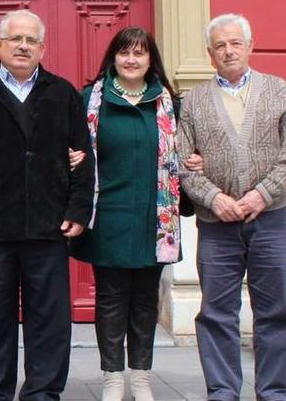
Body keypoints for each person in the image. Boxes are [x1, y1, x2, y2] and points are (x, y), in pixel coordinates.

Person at [0, 9, 95, 401]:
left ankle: (43, 392)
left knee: (50, 322)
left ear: (42, 47)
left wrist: (78, 209)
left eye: (31, 40)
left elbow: (83, 153)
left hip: (49, 228)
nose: (23, 46)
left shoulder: (63, 94)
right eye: (15, 39)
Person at [178, 13, 286, 401]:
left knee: (275, 312)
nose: (228, 51)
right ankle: (222, 390)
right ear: (209, 53)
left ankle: (273, 392)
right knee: (217, 313)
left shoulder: (278, 90)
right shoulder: (194, 101)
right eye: (220, 45)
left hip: (272, 220)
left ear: (251, 47)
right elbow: (181, 160)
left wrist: (261, 195)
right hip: (217, 224)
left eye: (235, 43)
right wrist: (215, 198)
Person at [70, 27, 200, 401]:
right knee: (110, 300)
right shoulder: (89, 100)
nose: (131, 59)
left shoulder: (170, 103)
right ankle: (113, 377)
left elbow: (186, 150)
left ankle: (141, 376)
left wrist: (194, 159)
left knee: (145, 301)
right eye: (124, 52)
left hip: (154, 218)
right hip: (107, 215)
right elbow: (70, 147)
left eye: (139, 53)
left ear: (150, 59)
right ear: (113, 57)